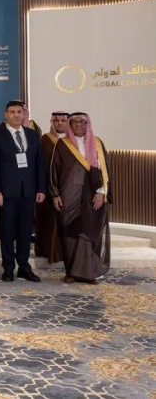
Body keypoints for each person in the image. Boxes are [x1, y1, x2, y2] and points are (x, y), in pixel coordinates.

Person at [0, 100, 46, 283]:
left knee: (25, 232)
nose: (16, 115)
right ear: (6, 114)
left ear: (23, 114)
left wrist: (41, 188)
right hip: (6, 193)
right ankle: (8, 268)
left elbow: (39, 164)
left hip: (28, 192)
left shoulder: (32, 135)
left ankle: (24, 268)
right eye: (12, 112)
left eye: (19, 112)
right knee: (7, 232)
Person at [49, 112, 111, 284]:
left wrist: (101, 192)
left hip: (93, 195)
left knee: (89, 232)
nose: (78, 125)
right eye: (74, 122)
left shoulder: (97, 143)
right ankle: (71, 272)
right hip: (69, 195)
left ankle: (88, 273)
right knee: (70, 233)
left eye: (82, 122)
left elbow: (105, 169)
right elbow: (53, 170)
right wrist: (55, 194)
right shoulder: (63, 144)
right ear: (70, 125)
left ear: (87, 124)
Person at [35, 111, 69, 264]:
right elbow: (39, 165)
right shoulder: (45, 140)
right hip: (47, 188)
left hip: (68, 189)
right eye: (57, 120)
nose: (60, 123)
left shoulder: (72, 140)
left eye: (63, 120)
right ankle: (49, 252)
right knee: (48, 222)